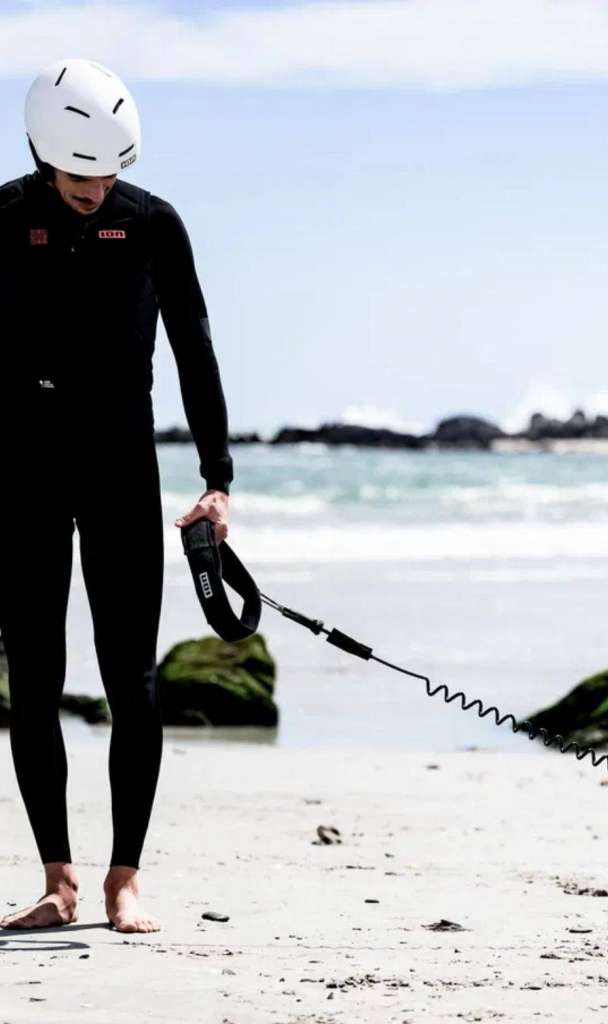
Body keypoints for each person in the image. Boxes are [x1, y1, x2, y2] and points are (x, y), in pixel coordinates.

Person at [0, 59, 233, 933]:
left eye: (108, 173)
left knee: (132, 678)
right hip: (20, 470)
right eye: (78, 176)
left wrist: (217, 478)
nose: (95, 190)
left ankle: (123, 878)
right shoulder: (1, 219)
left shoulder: (151, 223)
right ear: (42, 154)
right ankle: (57, 879)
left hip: (121, 464)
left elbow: (195, 348)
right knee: (34, 680)